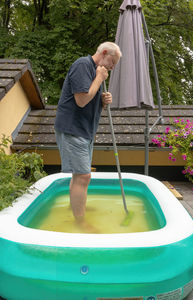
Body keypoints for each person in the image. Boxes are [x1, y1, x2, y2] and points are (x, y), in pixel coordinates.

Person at [54, 41, 122, 226]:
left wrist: (102, 100)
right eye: (112, 62)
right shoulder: (83, 65)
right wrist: (99, 79)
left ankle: (75, 207)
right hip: (72, 128)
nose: (112, 67)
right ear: (104, 52)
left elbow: (89, 98)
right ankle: (80, 222)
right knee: (83, 176)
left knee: (79, 175)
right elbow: (82, 100)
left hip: (84, 131)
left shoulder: (95, 70)